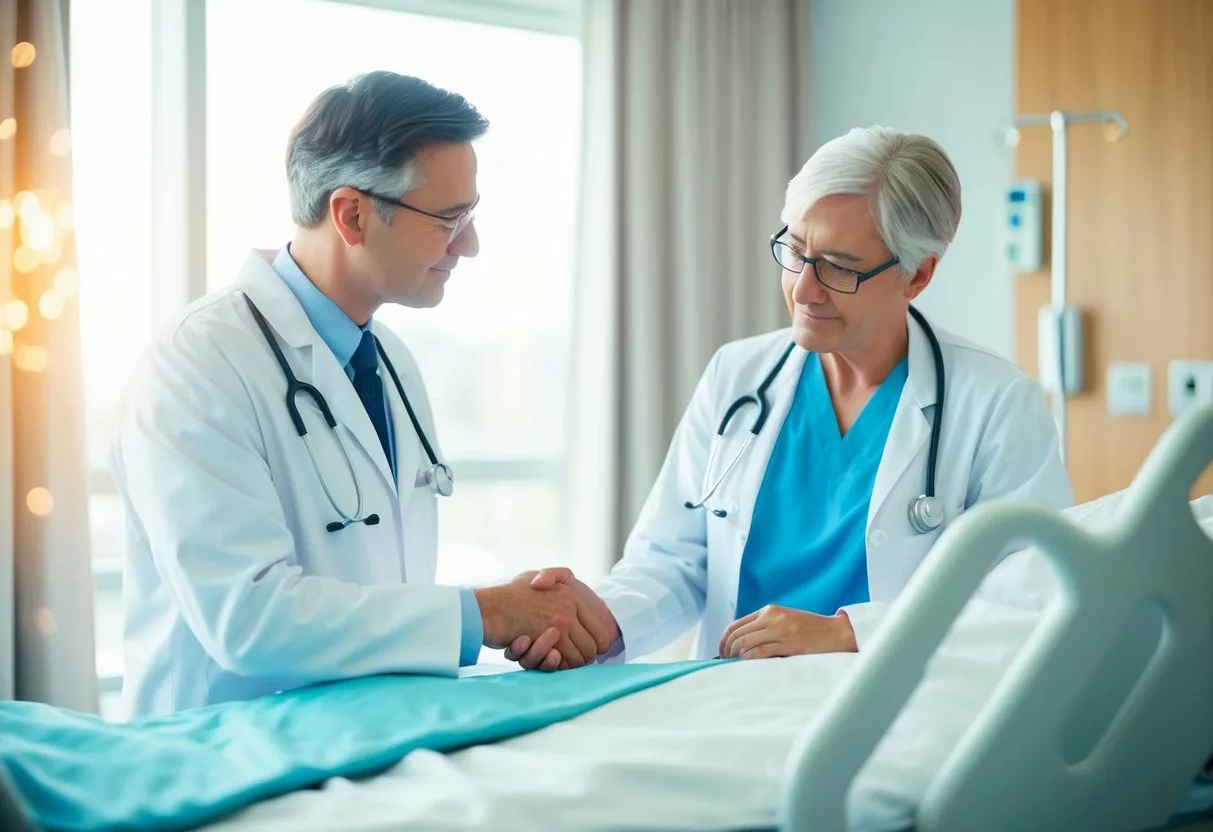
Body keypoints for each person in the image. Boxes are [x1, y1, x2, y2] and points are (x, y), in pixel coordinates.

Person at [109, 72, 611, 717]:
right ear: (351, 214)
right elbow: (248, 619)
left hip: (364, 740)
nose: (471, 245)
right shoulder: (197, 362)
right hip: (222, 760)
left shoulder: (390, 360)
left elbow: (380, 593)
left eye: (472, 215)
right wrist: (485, 614)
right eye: (449, 219)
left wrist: (523, 619)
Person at [507, 126, 1075, 668]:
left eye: (838, 268)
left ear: (917, 275)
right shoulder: (739, 374)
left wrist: (849, 632)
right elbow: (674, 559)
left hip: (883, 700)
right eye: (796, 251)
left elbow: (1029, 594)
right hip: (732, 693)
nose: (804, 289)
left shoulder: (997, 404)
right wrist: (601, 623)